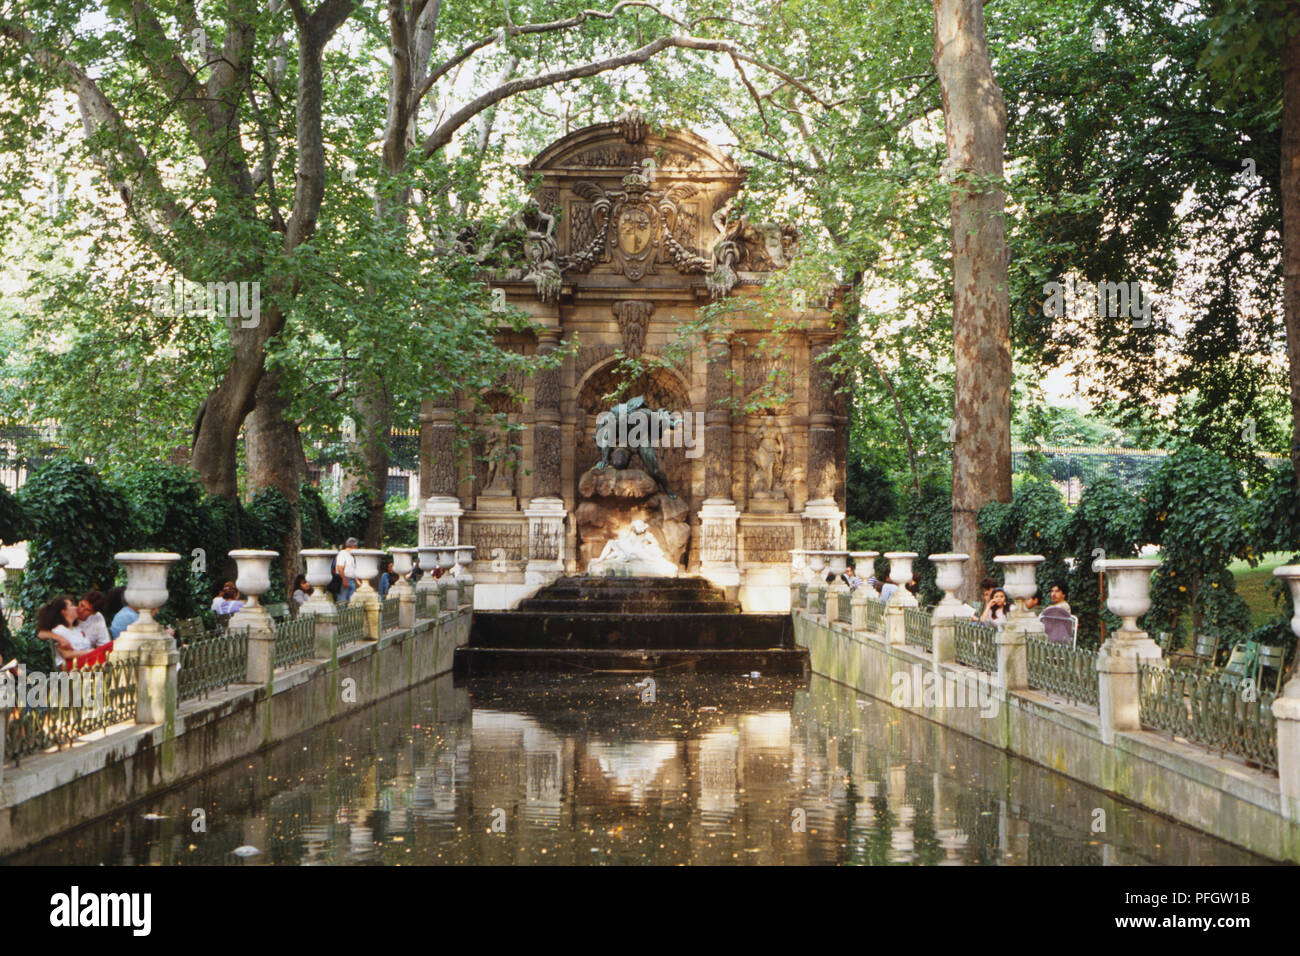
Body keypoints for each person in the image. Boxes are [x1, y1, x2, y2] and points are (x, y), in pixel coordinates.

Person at [37, 596, 110, 670]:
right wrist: (94, 651)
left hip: (87, 661)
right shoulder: (59, 631)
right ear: (64, 611)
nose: (76, 608)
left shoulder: (78, 629)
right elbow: (66, 654)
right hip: (72, 666)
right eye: (71, 605)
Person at [336, 538, 359, 604]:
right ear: (353, 546)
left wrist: (357, 580)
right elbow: (340, 568)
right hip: (344, 579)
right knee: (342, 601)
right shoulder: (343, 553)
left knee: (351, 602)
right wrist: (344, 580)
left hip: (351, 580)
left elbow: (352, 570)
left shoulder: (351, 556)